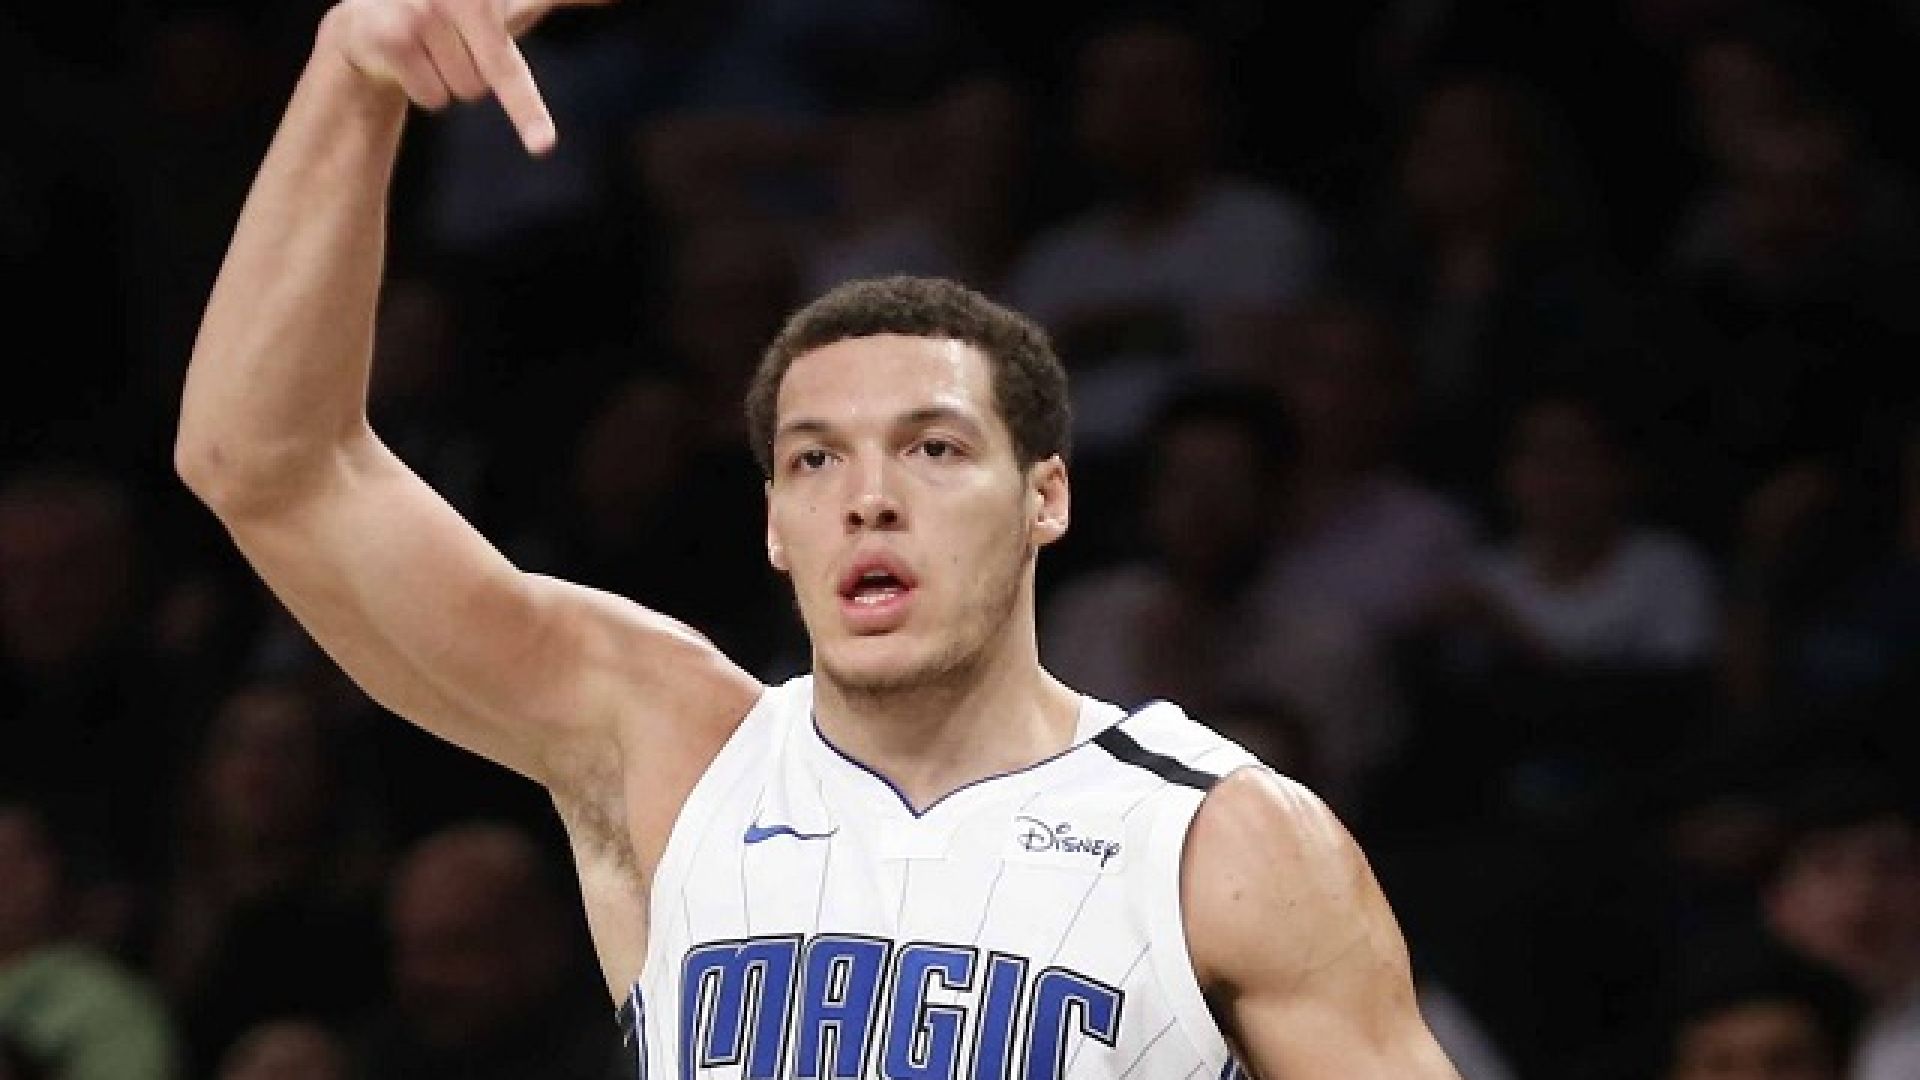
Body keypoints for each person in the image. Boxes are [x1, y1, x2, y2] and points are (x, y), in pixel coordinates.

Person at [172, 1, 1463, 1076]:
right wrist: (351, 74)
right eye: (815, 458)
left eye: (933, 448)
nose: (868, 496)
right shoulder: (668, 745)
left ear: (1046, 498)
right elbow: (262, 465)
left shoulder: (1221, 838)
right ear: (775, 527)